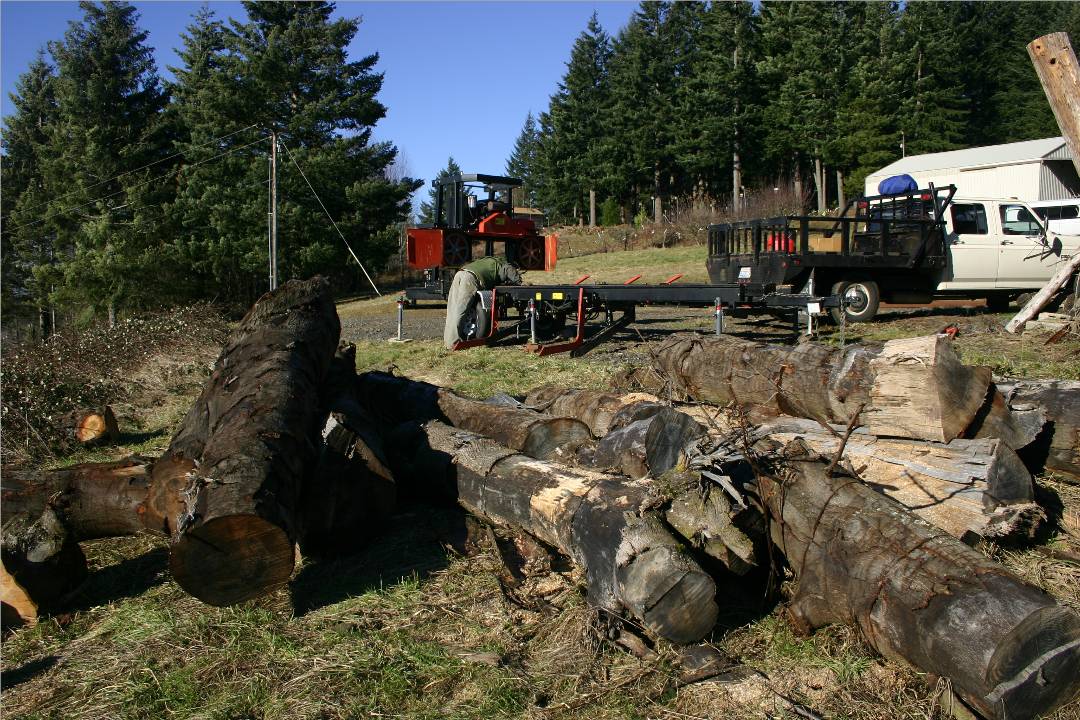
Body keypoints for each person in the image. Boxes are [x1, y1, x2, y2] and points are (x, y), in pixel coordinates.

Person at [443, 256, 522, 349]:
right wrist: (519, 281)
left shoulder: (490, 261)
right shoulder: (504, 265)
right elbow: (509, 271)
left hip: (460, 274)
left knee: (452, 309)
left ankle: (448, 341)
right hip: (470, 279)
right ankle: (454, 343)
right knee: (461, 310)